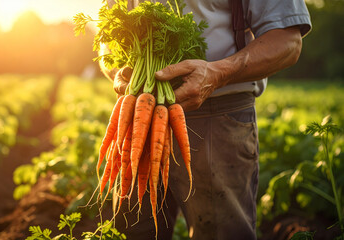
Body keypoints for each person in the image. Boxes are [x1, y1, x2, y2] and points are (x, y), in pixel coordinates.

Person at [100, 0, 312, 239]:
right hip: (140, 112)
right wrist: (118, 71)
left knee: (219, 233)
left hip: (218, 115)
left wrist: (218, 73)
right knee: (132, 230)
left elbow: (288, 42)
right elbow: (107, 42)